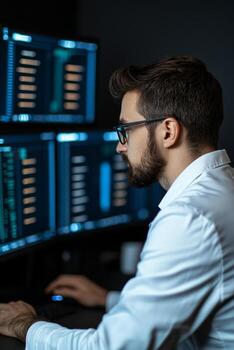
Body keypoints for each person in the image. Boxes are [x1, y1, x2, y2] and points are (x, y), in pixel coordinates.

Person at [0, 55, 234, 349]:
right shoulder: (224, 189)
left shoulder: (190, 219)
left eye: (126, 130)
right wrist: (109, 299)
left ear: (168, 131)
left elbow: (112, 347)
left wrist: (24, 325)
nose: (120, 146)